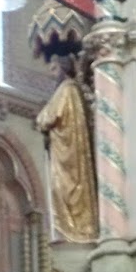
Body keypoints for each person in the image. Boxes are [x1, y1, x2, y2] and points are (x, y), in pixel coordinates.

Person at [36, 55, 99, 243]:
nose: (51, 75)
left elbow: (48, 117)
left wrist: (40, 118)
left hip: (67, 153)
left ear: (63, 69)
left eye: (54, 69)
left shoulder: (66, 89)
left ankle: (75, 231)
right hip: (65, 148)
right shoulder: (72, 90)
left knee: (62, 189)